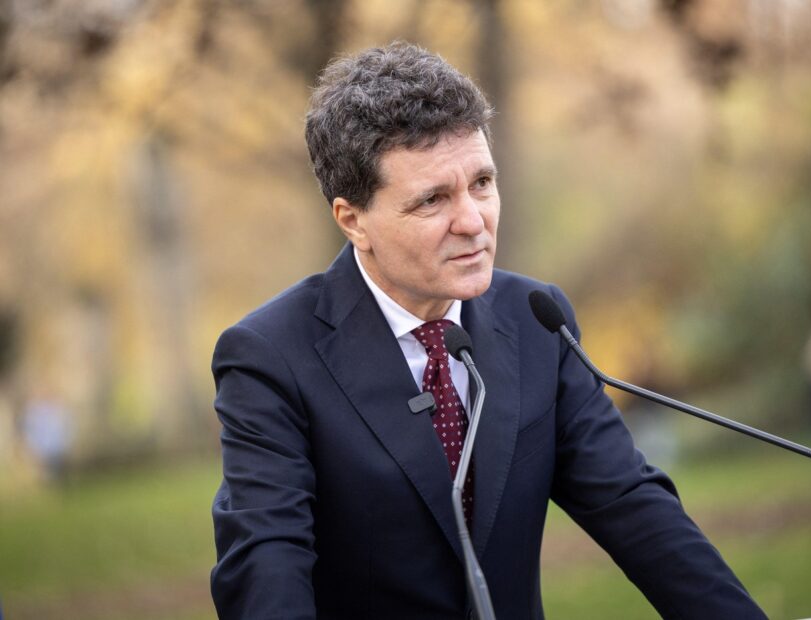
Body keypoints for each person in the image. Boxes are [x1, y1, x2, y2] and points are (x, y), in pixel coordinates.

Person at [210, 42, 766, 619]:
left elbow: (633, 506)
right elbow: (266, 567)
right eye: (433, 200)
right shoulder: (270, 358)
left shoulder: (537, 320)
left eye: (481, 182)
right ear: (353, 221)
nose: (473, 221)